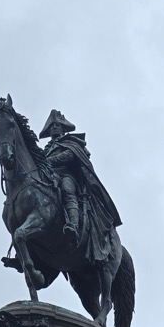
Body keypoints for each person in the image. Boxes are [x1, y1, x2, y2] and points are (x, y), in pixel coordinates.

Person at [39, 110, 122, 262]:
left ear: (63, 128)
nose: (54, 129)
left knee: (67, 190)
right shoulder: (46, 148)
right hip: (49, 177)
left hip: (66, 175)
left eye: (57, 125)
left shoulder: (72, 142)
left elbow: (69, 156)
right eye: (52, 127)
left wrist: (49, 161)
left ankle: (73, 225)